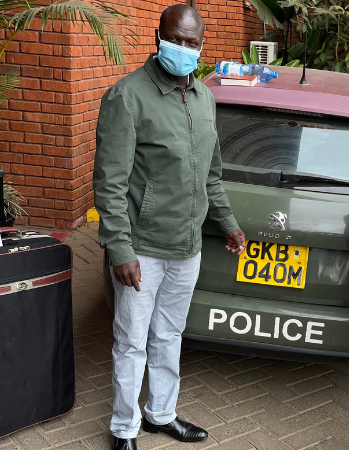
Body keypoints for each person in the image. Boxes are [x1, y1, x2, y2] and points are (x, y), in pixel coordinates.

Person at [93, 5, 246, 450]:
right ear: (157, 38)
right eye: (175, 39)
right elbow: (110, 183)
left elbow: (210, 175)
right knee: (131, 341)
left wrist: (228, 222)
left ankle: (160, 413)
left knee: (169, 334)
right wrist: (120, 249)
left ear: (202, 46)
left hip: (188, 245)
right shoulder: (128, 96)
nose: (183, 48)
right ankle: (124, 428)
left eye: (192, 42)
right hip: (143, 247)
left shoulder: (204, 98)